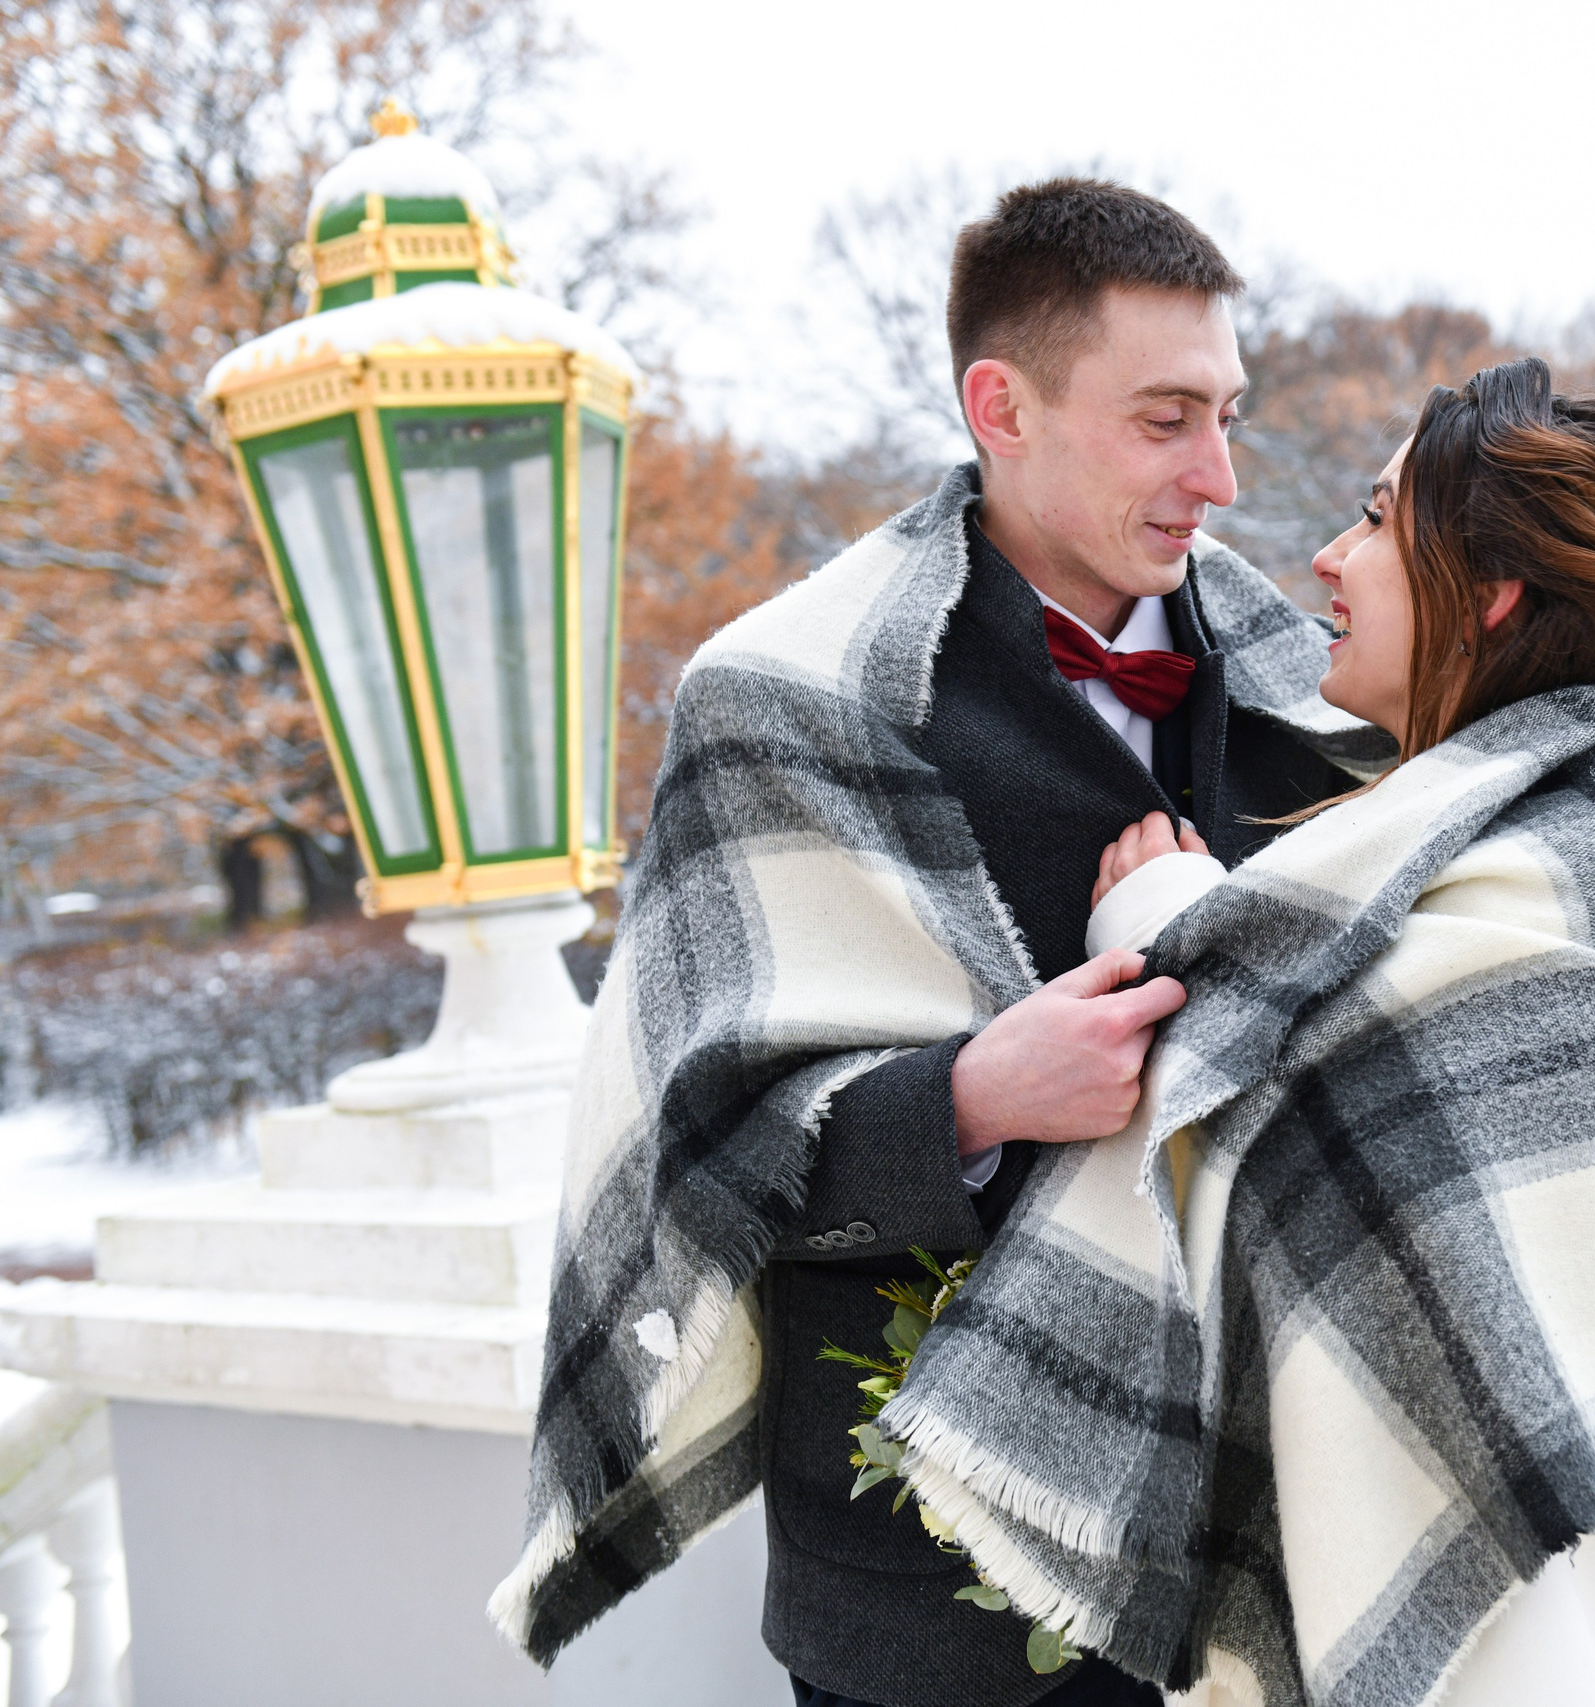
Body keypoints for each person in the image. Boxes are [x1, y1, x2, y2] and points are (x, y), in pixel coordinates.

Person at [493, 180, 1390, 1706]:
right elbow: (689, 1165)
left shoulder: (1322, 681)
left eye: (1228, 413)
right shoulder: (777, 698)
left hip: (1285, 1558)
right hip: (935, 1609)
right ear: (1004, 404)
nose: (1224, 475)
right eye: (1167, 418)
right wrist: (971, 1098)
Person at [876, 359, 1595, 1707]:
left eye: (1376, 522)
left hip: (1536, 1598)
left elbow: (1317, 1130)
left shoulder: (1558, 862)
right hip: (1554, 1526)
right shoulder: (1517, 819)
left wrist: (1167, 922)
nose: (1326, 554)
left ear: (1490, 595)